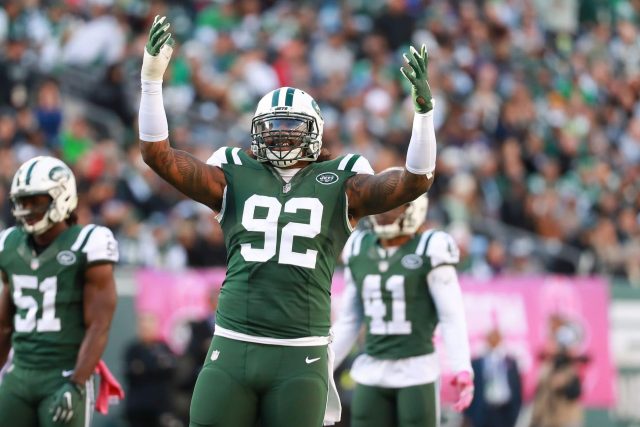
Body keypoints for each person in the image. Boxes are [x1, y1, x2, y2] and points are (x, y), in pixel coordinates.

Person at [139, 15, 438, 427]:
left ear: (313, 132)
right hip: (233, 343)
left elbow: (414, 182)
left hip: (302, 351)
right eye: (272, 128)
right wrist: (151, 82)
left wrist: (423, 114)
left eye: (291, 128)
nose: (281, 136)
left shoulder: (342, 181)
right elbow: (158, 155)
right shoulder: (233, 170)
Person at [331, 189, 474, 427]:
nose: (386, 213)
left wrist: (462, 367)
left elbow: (451, 316)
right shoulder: (358, 247)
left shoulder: (431, 247)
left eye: (394, 206)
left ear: (413, 208)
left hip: (416, 370)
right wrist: (323, 363)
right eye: (382, 205)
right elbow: (349, 321)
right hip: (372, 369)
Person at [0, 155, 119, 426]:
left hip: (63, 373)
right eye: (22, 201)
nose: (27, 208)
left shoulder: (88, 243)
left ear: (61, 197)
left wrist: (77, 382)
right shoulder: (9, 245)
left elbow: (99, 324)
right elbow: (4, 325)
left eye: (36, 200)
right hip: (19, 373)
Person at [124, 313, 178, 427]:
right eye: (143, 327)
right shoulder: (133, 350)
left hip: (161, 406)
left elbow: (172, 370)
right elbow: (131, 373)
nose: (146, 330)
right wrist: (156, 365)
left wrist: (146, 367)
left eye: (149, 326)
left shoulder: (164, 348)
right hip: (138, 408)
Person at [465, 328, 522, 427]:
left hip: (505, 411)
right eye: (491, 337)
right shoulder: (477, 362)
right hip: (484, 412)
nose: (494, 340)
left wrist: (515, 410)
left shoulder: (510, 361)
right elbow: (471, 389)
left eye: (497, 337)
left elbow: (517, 388)